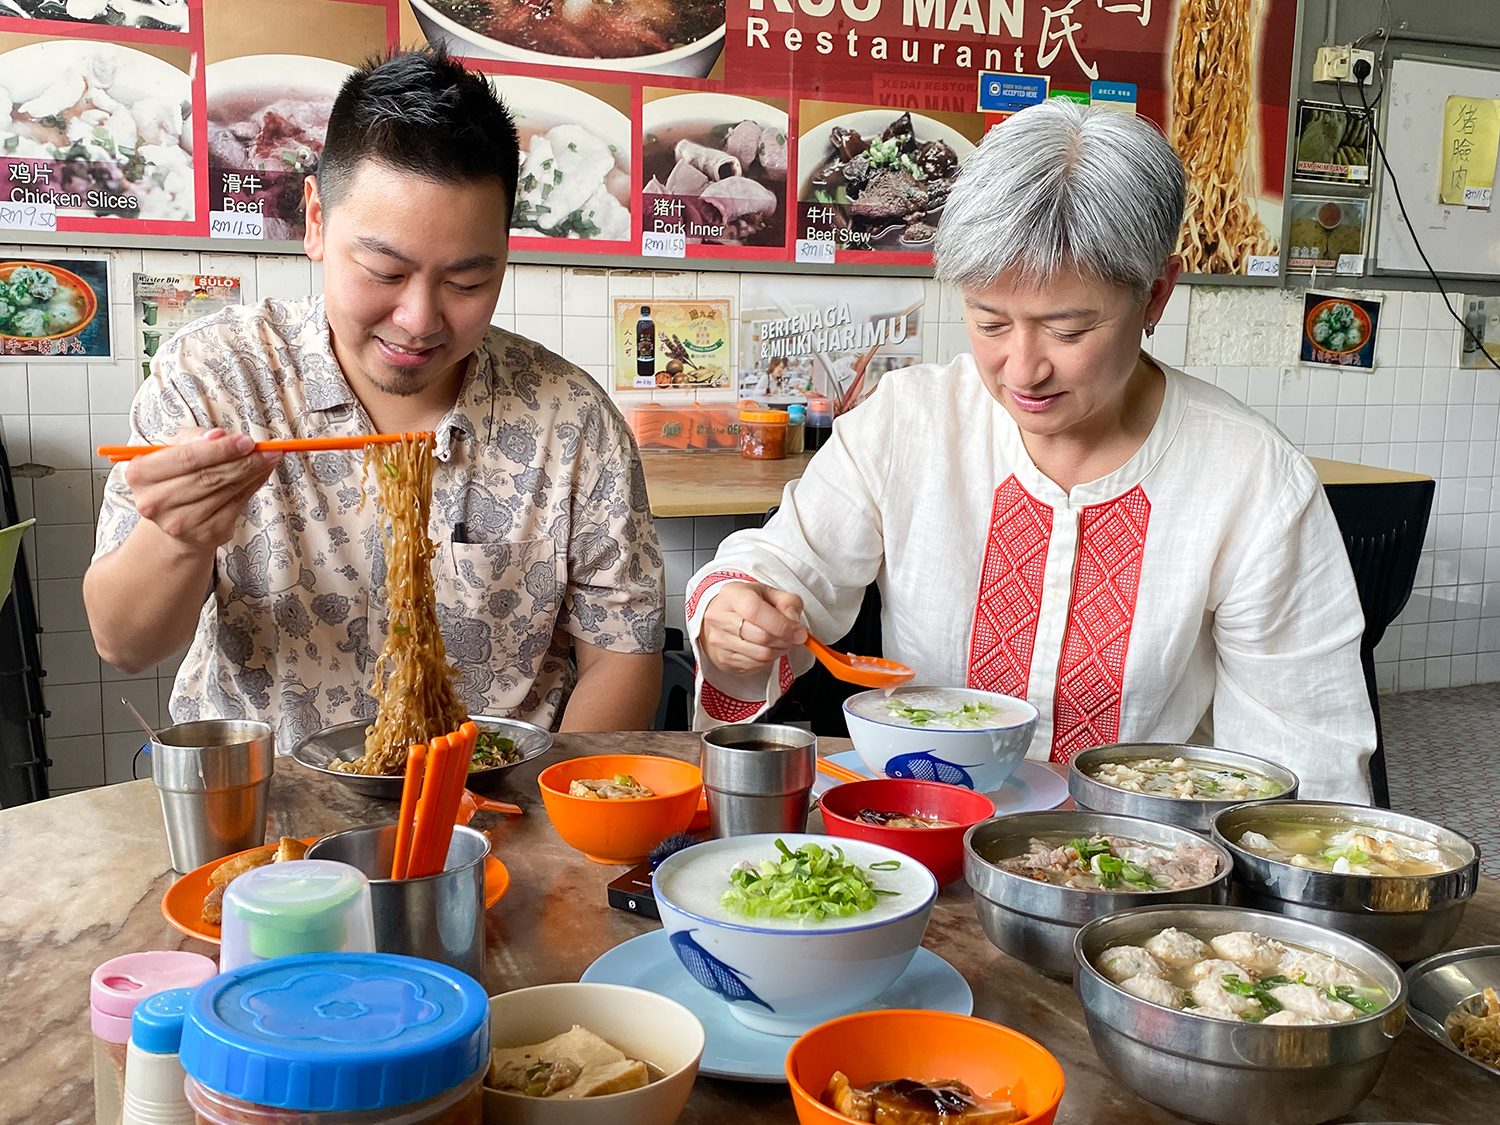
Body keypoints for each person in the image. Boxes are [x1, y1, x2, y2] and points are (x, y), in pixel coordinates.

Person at [686, 100, 1376, 802]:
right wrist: (737, 613)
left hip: (1143, 870)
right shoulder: (909, 422)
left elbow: (1304, 759)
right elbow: (781, 568)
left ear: (1155, 295)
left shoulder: (1250, 478)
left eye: (1067, 331)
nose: (1021, 369)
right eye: (989, 322)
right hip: (921, 837)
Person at [84, 48, 664, 751]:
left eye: (468, 281)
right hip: (269, 810)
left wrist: (541, 811)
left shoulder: (572, 420)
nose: (420, 319)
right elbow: (123, 641)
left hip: (492, 803)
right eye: (384, 271)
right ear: (316, 221)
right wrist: (179, 535)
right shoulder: (217, 379)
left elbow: (623, 653)